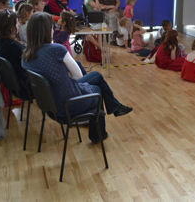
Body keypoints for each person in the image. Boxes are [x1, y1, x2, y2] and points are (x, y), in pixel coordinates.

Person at [21, 12, 132, 143]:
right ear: (47, 30)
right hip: (67, 105)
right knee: (97, 89)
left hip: (49, 105)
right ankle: (99, 134)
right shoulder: (57, 50)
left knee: (96, 76)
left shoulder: (26, 55)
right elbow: (78, 75)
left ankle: (114, 108)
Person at [0, 9, 29, 98]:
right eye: (17, 23)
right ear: (11, 28)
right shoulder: (14, 47)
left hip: (14, 86)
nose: (19, 24)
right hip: (26, 88)